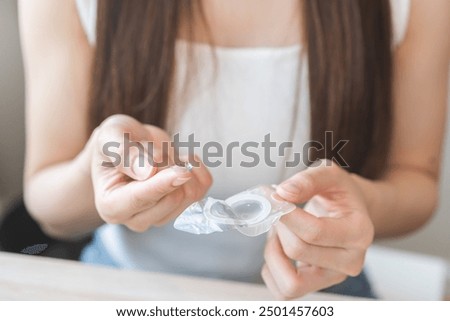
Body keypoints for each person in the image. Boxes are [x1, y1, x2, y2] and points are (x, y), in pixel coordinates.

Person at [19, 0, 449, 299]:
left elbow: (415, 180)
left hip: (323, 288)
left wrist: (363, 203)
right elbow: (49, 206)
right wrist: (99, 162)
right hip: (123, 279)